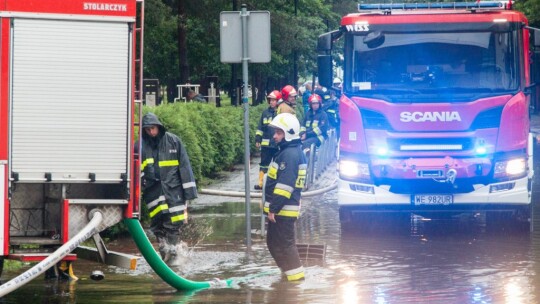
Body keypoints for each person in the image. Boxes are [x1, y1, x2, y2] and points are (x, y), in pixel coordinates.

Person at [140, 112, 198, 266]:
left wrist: (189, 193)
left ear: (159, 127)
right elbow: (137, 171)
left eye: (153, 128)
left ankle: (174, 259)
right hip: (154, 194)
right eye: (148, 130)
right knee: (158, 228)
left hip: (174, 193)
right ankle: (166, 256)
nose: (151, 132)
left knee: (172, 225)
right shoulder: (141, 146)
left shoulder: (173, 141)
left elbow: (184, 166)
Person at [264, 113, 307, 282]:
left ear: (289, 133)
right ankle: (288, 275)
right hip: (281, 209)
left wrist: (273, 209)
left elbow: (285, 187)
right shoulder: (288, 152)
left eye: (279, 133)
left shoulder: (289, 155)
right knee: (273, 243)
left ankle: (296, 283)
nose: (275, 136)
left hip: (283, 210)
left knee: (285, 245)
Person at [254, 90, 281, 190]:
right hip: (266, 145)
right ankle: (261, 183)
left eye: (274, 100)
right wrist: (258, 139)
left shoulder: (281, 113)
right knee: (264, 164)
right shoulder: (265, 113)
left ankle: (275, 184)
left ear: (278, 101)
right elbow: (260, 127)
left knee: (276, 165)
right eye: (270, 100)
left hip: (277, 145)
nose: (271, 102)